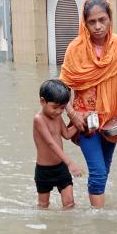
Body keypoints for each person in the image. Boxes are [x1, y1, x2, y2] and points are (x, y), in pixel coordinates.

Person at [60, 0, 117, 208]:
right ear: (84, 23)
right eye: (91, 22)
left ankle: (97, 212)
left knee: (105, 167)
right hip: (85, 121)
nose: (97, 26)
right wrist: (72, 115)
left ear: (110, 18)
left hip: (112, 120)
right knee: (98, 170)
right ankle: (99, 219)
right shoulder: (75, 50)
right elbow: (62, 88)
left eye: (102, 20)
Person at [33, 79, 83, 209]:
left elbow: (66, 135)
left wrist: (80, 123)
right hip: (44, 171)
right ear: (43, 101)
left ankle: (67, 228)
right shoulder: (39, 119)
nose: (58, 111)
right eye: (55, 107)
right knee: (43, 206)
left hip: (60, 168)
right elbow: (50, 143)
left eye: (62, 108)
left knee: (69, 204)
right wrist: (70, 163)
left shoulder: (57, 116)